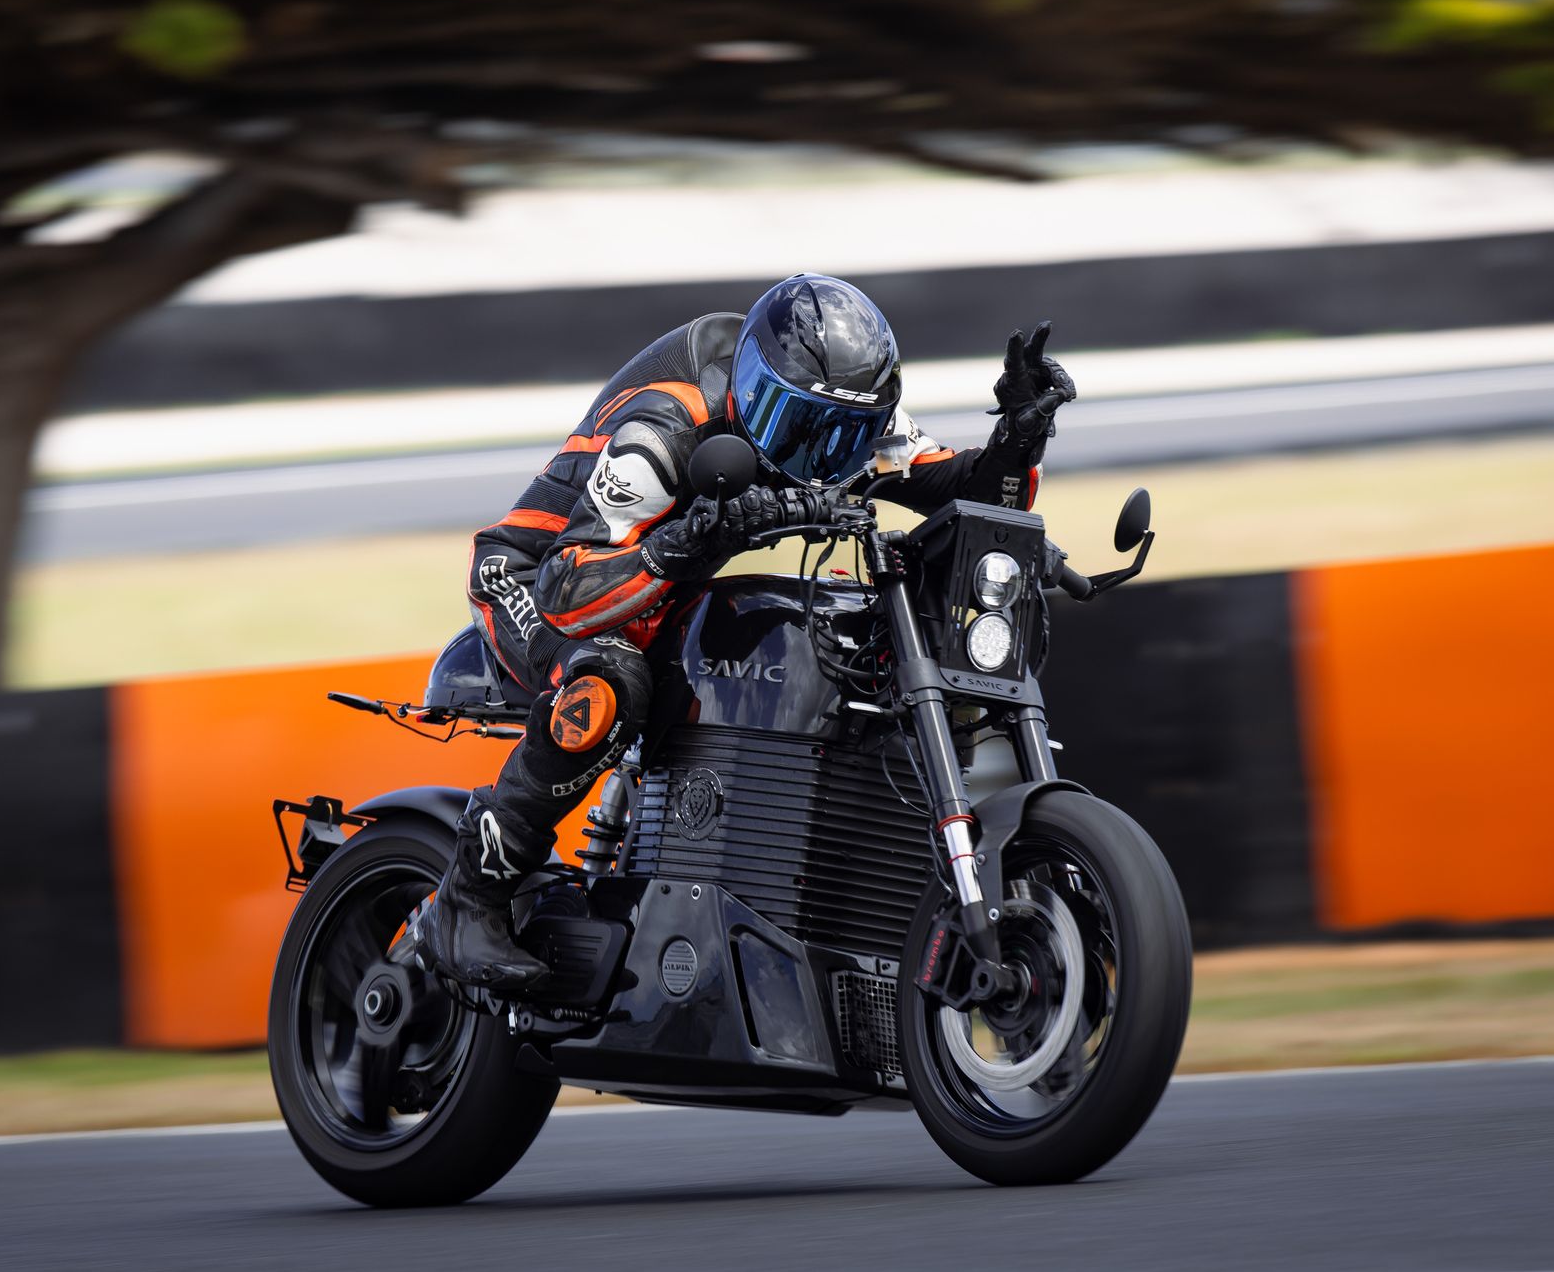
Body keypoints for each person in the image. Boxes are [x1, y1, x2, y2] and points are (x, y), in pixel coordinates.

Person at [412, 273, 1076, 989]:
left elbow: (959, 488)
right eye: (799, 427)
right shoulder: (666, 429)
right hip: (537, 576)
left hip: (661, 583)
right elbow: (566, 590)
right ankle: (467, 898)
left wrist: (1017, 441)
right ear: (754, 390)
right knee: (608, 683)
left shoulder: (850, 422)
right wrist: (679, 543)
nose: (820, 455)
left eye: (842, 435)